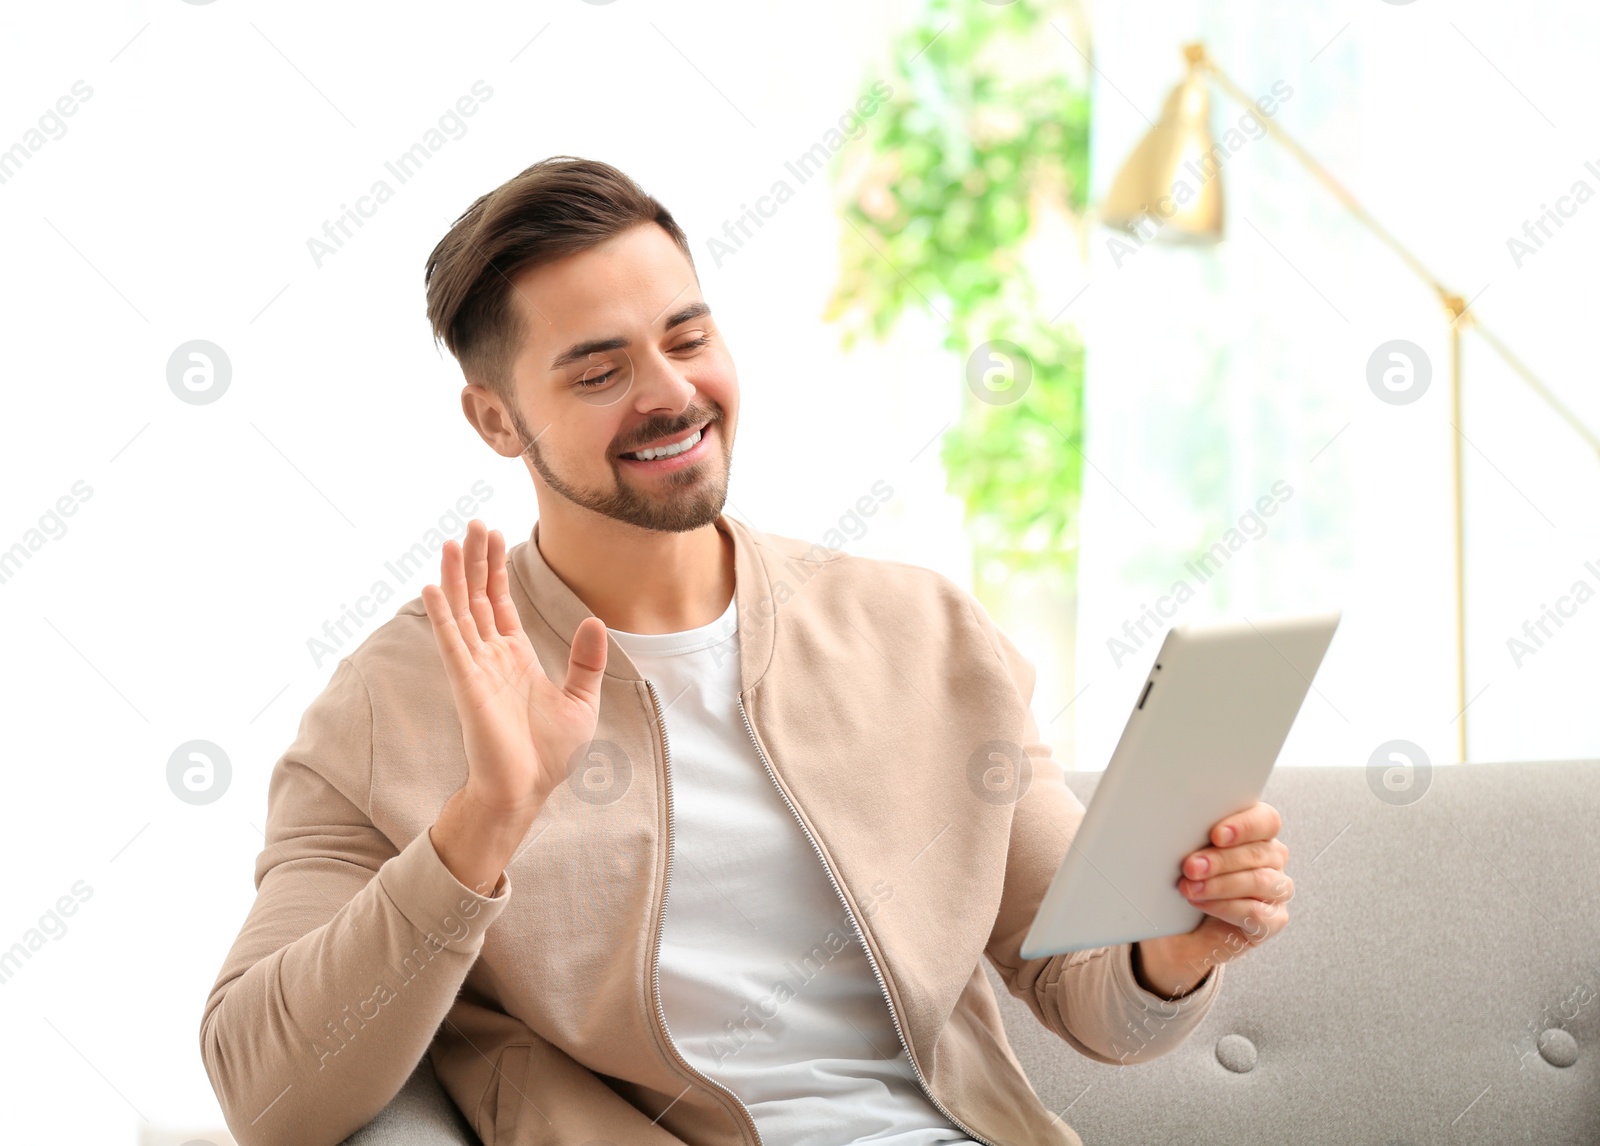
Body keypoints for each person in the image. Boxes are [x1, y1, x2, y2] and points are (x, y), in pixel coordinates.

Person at [199, 156, 1293, 1146]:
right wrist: (483, 819)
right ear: (494, 419)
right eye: (597, 372)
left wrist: (1172, 949)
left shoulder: (925, 635)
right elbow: (270, 1096)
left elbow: (1090, 999)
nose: (671, 392)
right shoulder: (388, 711)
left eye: (686, 338)